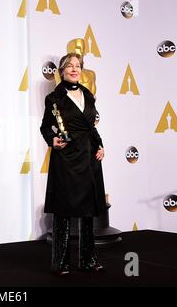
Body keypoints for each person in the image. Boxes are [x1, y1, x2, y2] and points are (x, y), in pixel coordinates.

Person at [40, 53, 107, 276]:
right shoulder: (53, 98)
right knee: (63, 210)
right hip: (67, 156)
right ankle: (60, 263)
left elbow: (91, 126)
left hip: (89, 156)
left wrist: (100, 145)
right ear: (61, 71)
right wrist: (52, 140)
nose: (74, 69)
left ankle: (88, 260)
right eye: (70, 66)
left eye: (78, 66)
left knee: (88, 211)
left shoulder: (88, 94)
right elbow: (45, 127)